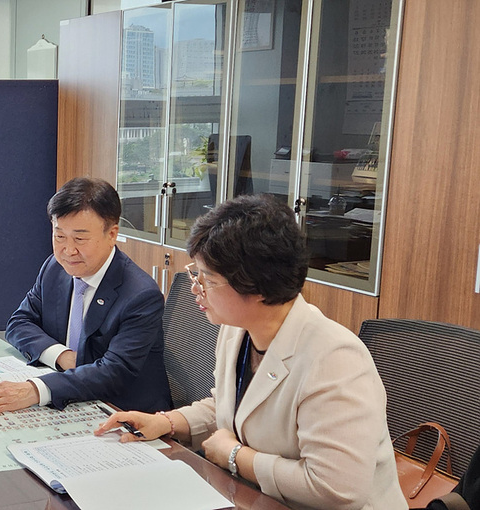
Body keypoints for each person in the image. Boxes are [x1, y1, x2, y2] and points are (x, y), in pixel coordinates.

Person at [94, 194, 405, 510]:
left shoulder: (335, 359)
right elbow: (231, 408)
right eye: (195, 273)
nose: (195, 288)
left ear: (256, 286)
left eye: (208, 279)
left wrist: (235, 457)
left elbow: (335, 488)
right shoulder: (236, 328)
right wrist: (168, 423)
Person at [0, 177, 171, 414]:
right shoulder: (55, 268)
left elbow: (113, 372)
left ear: (112, 234)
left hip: (125, 415)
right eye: (59, 236)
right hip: (72, 402)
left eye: (80, 238)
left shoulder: (140, 295)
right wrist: (62, 356)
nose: (68, 250)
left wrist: (36, 389)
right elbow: (19, 323)